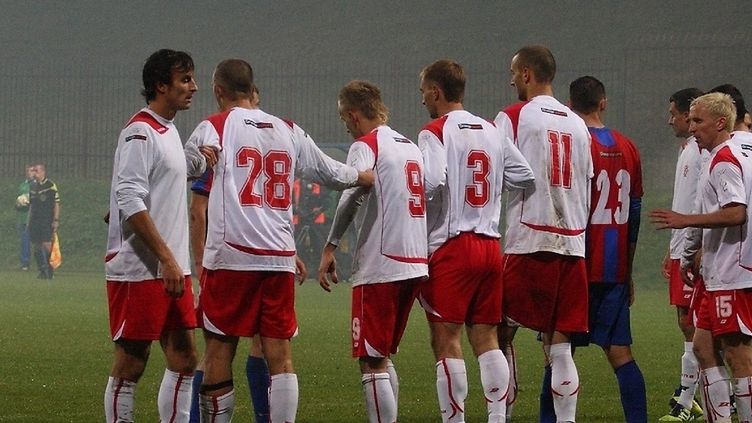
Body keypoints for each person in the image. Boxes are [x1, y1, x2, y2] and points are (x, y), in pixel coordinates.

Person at [185, 58, 373, 423]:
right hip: (278, 258)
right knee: (281, 356)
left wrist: (192, 162)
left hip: (232, 257)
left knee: (220, 349)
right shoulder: (288, 129)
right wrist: (361, 176)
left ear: (218, 91)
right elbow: (329, 172)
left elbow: (187, 165)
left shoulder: (215, 126)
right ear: (251, 88)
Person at [416, 59, 534, 423]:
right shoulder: (491, 129)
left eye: (424, 92)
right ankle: (497, 418)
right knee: (486, 338)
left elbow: (432, 181)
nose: (423, 100)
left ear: (436, 91)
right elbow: (525, 175)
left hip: (453, 246)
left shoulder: (434, 131)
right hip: (489, 246)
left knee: (446, 339)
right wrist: (491, 186)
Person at [103, 49, 214, 422]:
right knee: (131, 362)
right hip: (141, 268)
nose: (193, 87)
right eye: (185, 79)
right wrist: (166, 257)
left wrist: (199, 159)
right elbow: (129, 196)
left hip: (172, 267)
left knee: (185, 358)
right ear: (160, 86)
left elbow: (157, 180)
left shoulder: (167, 130)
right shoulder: (139, 131)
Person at [536, 75, 646, 422]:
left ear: (569, 106)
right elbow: (635, 212)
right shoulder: (628, 146)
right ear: (603, 103)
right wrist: (627, 269)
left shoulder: (573, 143)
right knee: (621, 354)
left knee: (557, 353)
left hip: (574, 264)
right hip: (613, 268)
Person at [317, 80, 428, 423]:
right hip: (414, 262)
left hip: (382, 264)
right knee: (382, 356)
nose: (345, 126)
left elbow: (352, 193)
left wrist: (330, 246)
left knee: (371, 361)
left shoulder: (366, 145)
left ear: (353, 115)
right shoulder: (410, 146)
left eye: (344, 118)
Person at [495, 45, 593, 423]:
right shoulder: (578, 123)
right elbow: (586, 182)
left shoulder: (514, 116)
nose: (511, 81)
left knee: (498, 334)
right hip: (572, 241)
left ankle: (500, 416)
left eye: (513, 73)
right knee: (560, 345)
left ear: (526, 74)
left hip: (529, 240)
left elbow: (498, 173)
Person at [650, 92, 752, 423]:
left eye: (698, 120)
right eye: (691, 120)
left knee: (738, 355)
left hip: (732, 272)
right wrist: (692, 252)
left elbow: (736, 212)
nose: (691, 127)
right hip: (717, 270)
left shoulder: (724, 160)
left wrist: (685, 221)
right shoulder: (732, 152)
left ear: (720, 123)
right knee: (703, 347)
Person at [188, 85, 274, 423]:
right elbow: (198, 209)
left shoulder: (256, 145)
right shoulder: (223, 145)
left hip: (256, 257)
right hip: (231, 259)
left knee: (255, 344)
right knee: (222, 348)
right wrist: (200, 260)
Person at [658, 87, 707, 421]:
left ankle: (686, 401)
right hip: (682, 246)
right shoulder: (689, 149)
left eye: (673, 113)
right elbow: (686, 201)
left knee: (693, 324)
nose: (670, 120)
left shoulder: (702, 152)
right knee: (688, 322)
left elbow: (703, 203)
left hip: (694, 249)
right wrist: (672, 248)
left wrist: (697, 245)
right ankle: (697, 394)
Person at [27, 163, 60, 280]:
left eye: (36, 171)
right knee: (36, 245)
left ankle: (50, 271)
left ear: (43, 172)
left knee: (47, 245)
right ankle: (42, 270)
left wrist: (56, 220)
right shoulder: (33, 187)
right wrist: (28, 220)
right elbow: (31, 205)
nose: (34, 173)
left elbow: (56, 203)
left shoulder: (50, 185)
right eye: (33, 171)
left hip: (46, 219)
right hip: (35, 220)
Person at [15, 165, 35, 271]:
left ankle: (43, 262)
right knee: (24, 240)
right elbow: (19, 198)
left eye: (32, 171)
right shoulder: (22, 185)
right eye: (28, 171)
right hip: (22, 217)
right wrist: (18, 204)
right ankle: (25, 263)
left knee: (39, 241)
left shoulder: (36, 185)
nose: (30, 173)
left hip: (34, 217)